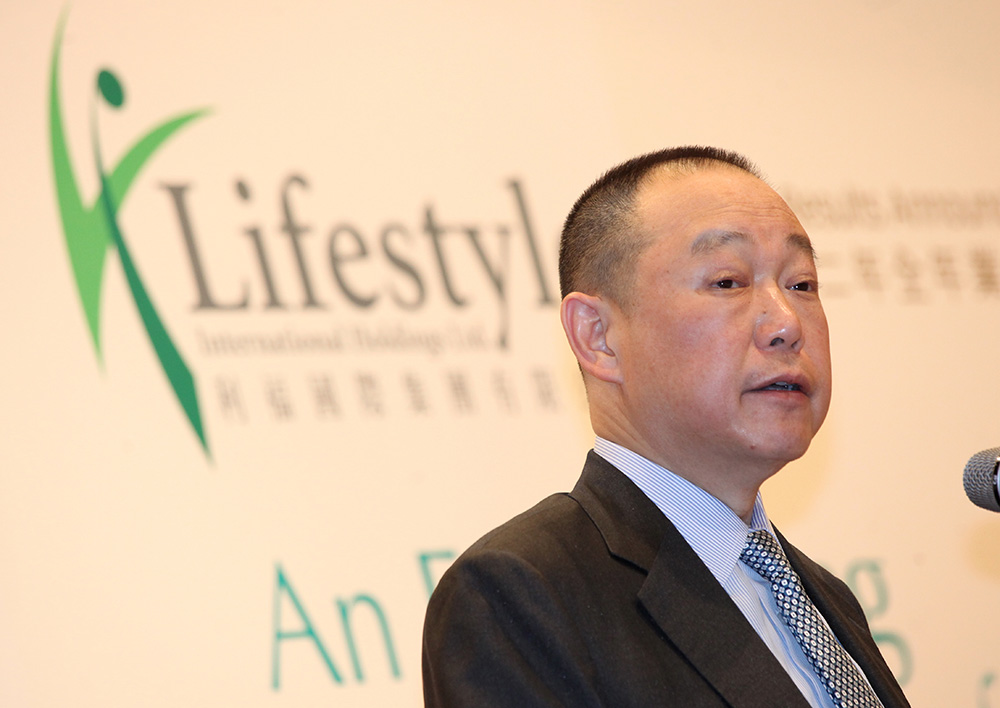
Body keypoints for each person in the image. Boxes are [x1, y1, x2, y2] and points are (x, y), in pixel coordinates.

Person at [421, 146, 910, 707]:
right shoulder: (520, 596)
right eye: (728, 282)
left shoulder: (825, 600)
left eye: (801, 284)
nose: (786, 323)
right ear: (598, 337)